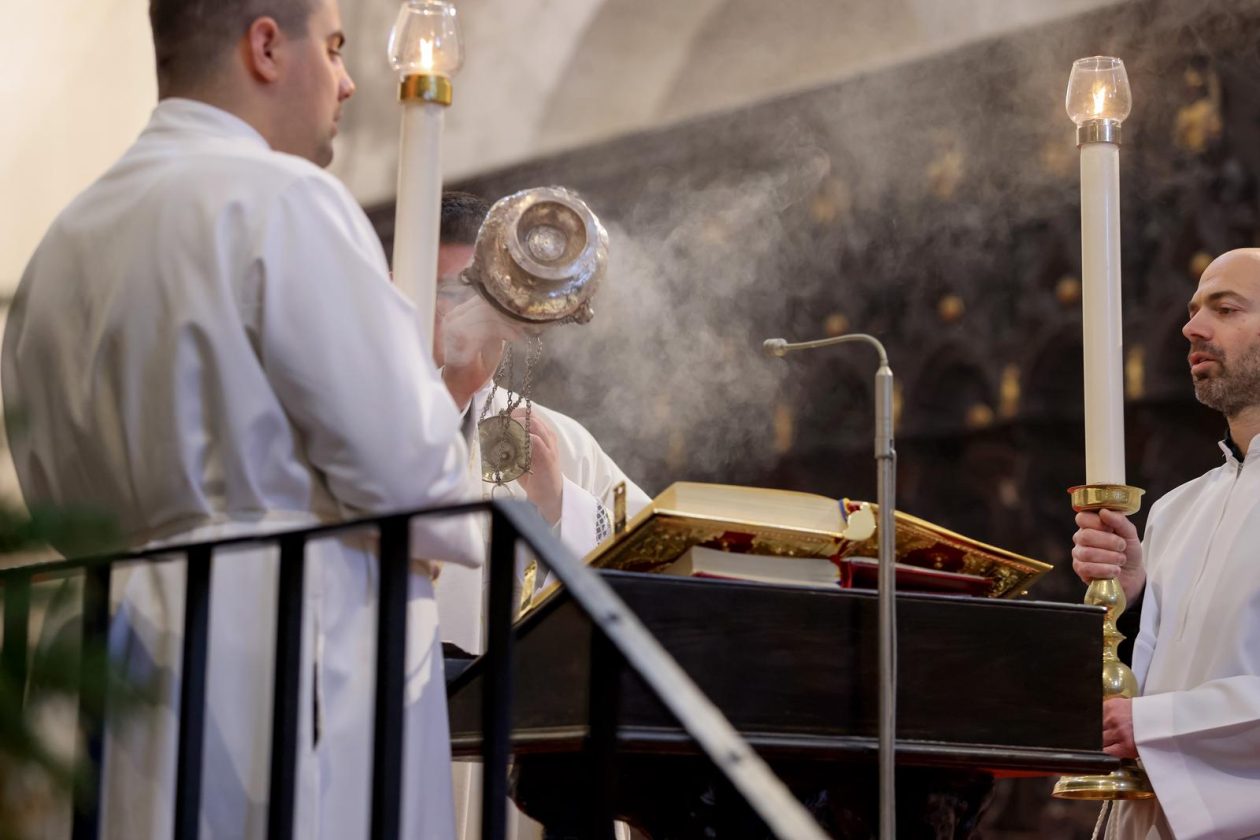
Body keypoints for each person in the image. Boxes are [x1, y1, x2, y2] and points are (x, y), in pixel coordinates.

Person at [2, 1, 480, 838]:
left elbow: (47, 491)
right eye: (332, 49)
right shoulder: (281, 197)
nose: (348, 79)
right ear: (265, 45)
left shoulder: (58, 247)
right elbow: (412, 471)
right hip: (271, 651)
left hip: (103, 647)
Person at [431, 192, 651, 840]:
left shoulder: (557, 441)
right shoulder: (360, 413)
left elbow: (652, 575)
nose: (464, 314)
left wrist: (562, 506)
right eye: (447, 290)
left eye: (480, 292)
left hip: (520, 788)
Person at [1072, 248, 1260, 839]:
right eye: (1193, 309)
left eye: (1225, 309)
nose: (1192, 328)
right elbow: (1165, 671)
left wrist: (1152, 724)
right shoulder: (1177, 509)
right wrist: (1133, 594)